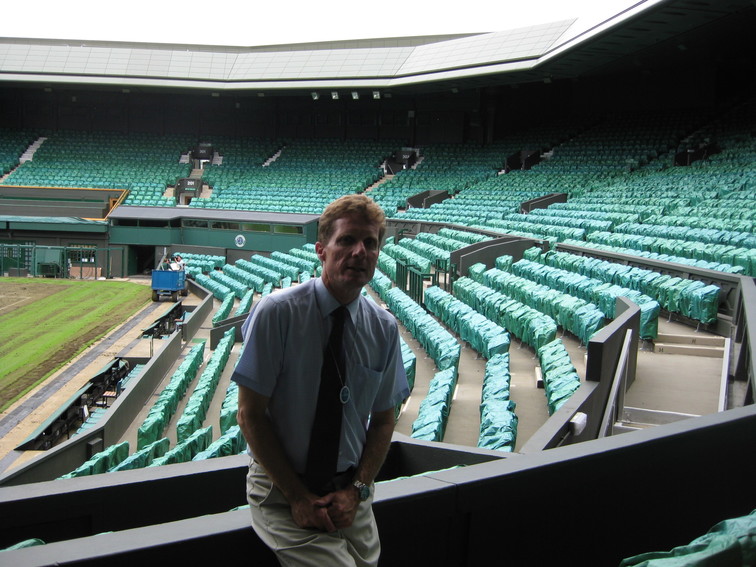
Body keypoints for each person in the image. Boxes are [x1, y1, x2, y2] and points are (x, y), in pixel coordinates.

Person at [232, 194, 409, 566]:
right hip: (282, 491)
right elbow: (249, 415)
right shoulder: (277, 313)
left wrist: (357, 490)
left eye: (370, 243)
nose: (360, 252)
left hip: (350, 496)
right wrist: (297, 497)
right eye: (347, 240)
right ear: (321, 250)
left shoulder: (384, 328)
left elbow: (383, 421)